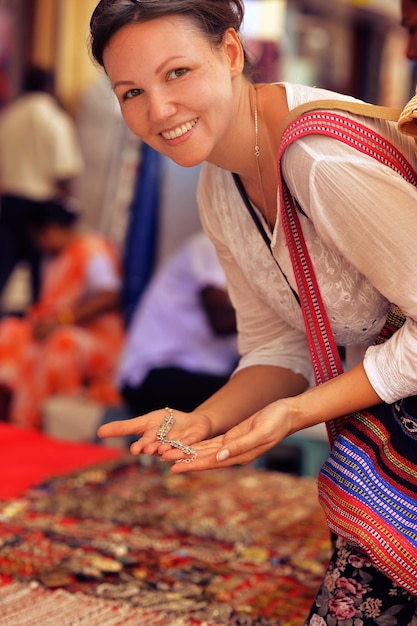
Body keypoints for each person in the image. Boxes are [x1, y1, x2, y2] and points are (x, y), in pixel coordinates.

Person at [89, 1, 417, 622]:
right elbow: (278, 348)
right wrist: (204, 421)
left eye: (178, 72)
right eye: (131, 91)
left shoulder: (316, 161)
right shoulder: (222, 180)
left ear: (233, 53)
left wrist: (293, 413)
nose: (158, 111)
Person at [0, 200, 124, 429]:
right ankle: (10, 418)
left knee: (62, 343)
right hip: (59, 327)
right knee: (9, 331)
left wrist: (62, 320)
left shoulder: (91, 248)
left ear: (49, 229)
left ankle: (47, 421)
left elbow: (109, 295)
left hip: (97, 338)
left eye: (38, 237)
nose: (38, 244)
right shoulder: (55, 257)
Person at [115, 230, 237, 418]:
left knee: (261, 388)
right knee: (258, 393)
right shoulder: (212, 245)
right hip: (152, 375)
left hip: (199, 373)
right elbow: (220, 322)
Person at [0, 65, 84, 308]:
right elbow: (65, 169)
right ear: (49, 87)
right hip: (41, 206)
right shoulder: (54, 118)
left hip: (12, 200)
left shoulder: (9, 116)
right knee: (41, 274)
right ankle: (35, 326)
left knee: (4, 265)